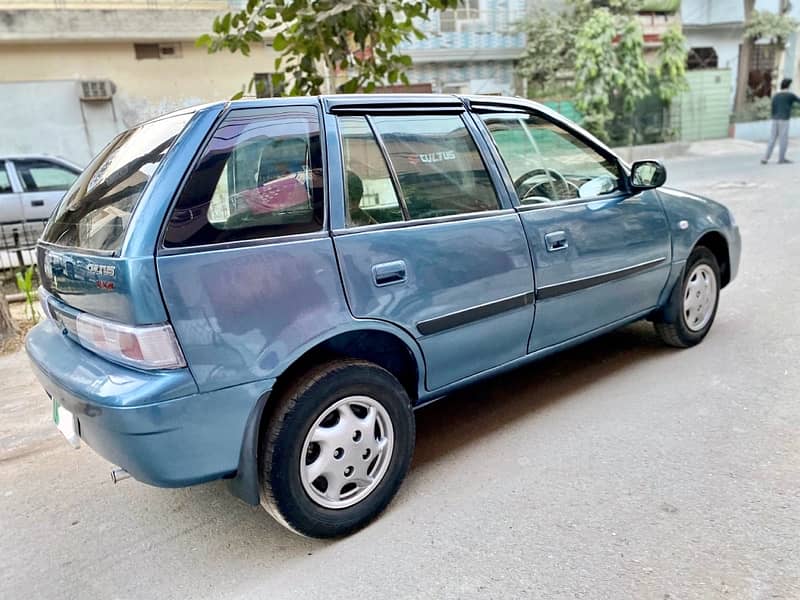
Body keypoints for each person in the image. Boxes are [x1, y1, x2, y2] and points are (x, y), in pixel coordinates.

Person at [762, 78, 800, 164]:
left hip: (775, 119)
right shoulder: (790, 95)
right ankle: (781, 159)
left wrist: (774, 116)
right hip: (784, 119)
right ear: (788, 86)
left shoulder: (776, 96)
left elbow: (773, 107)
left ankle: (765, 158)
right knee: (783, 139)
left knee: (772, 138)